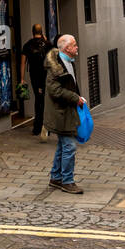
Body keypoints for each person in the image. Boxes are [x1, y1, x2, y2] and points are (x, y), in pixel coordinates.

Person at [44, 34, 87, 194]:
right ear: (67, 48)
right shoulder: (55, 67)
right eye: (74, 45)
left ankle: (56, 178)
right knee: (69, 146)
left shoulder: (69, 62)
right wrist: (75, 98)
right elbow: (54, 90)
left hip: (67, 111)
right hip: (60, 113)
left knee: (63, 146)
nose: (77, 47)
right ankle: (67, 181)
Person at [21, 23, 52, 138]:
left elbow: (23, 63)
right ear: (41, 31)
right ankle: (46, 126)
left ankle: (37, 127)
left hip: (34, 76)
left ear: (32, 32)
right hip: (46, 76)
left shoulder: (27, 45)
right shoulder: (47, 44)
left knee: (38, 100)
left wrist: (22, 78)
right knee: (45, 100)